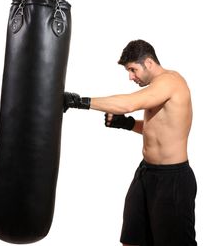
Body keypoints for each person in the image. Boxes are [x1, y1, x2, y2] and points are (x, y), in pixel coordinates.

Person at [63, 39, 197, 246]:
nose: (131, 77)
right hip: (145, 174)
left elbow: (128, 104)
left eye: (133, 70)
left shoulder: (170, 82)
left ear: (149, 63)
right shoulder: (157, 89)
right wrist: (127, 124)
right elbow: (157, 130)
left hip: (172, 180)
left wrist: (79, 102)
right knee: (132, 240)